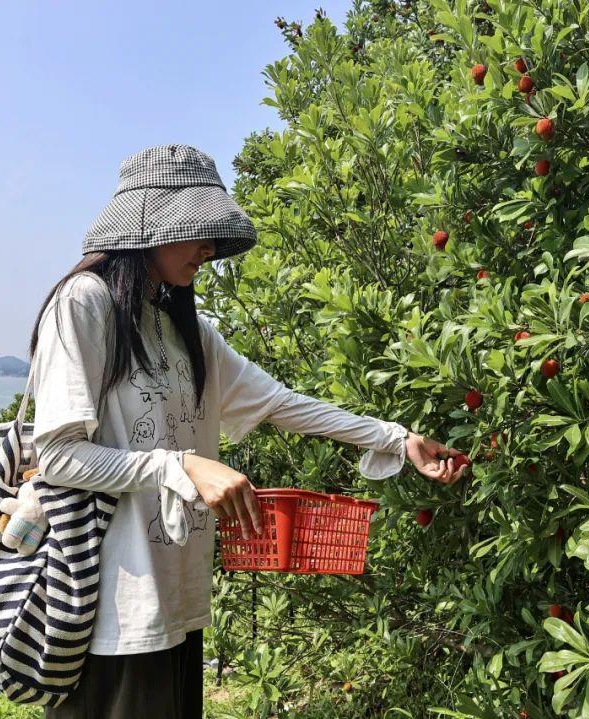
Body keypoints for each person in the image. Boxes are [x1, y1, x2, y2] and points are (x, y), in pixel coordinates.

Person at [29, 144, 468, 718]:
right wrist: (179, 464)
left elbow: (281, 403)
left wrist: (394, 438)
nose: (208, 249)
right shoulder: (85, 305)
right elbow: (59, 456)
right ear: (149, 226)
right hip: (112, 605)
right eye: (194, 229)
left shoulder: (183, 327)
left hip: (176, 596)